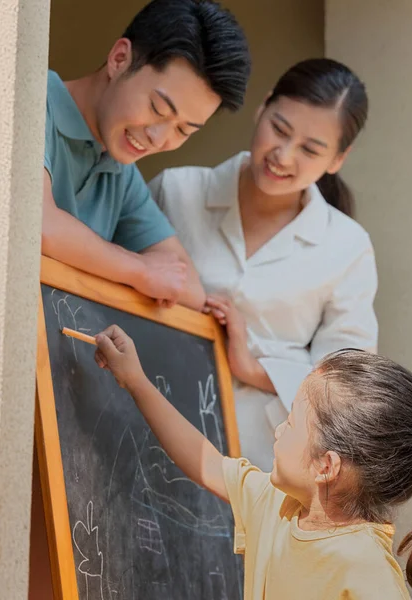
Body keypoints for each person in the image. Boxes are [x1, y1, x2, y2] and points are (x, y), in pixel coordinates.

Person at [94, 325, 412, 600]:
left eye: (292, 421)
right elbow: (206, 462)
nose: (279, 430)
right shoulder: (275, 504)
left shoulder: (367, 573)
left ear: (326, 466)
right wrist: (135, 381)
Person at [148, 58, 378, 469]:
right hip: (148, 427)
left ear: (338, 158)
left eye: (310, 149)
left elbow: (348, 386)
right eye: (280, 129)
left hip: (265, 465)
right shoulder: (176, 190)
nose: (283, 156)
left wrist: (254, 368)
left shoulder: (347, 246)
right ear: (263, 107)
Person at [42, 0, 250, 310]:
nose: (158, 138)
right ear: (119, 59)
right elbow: (36, 224)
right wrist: (139, 270)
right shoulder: (31, 98)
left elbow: (188, 288)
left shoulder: (120, 171)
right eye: (158, 109)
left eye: (183, 131)